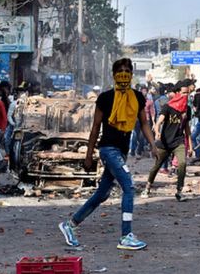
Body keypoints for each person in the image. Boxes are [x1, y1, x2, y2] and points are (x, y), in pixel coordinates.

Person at [59, 58, 157, 250]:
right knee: (129, 186)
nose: (123, 74)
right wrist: (88, 155)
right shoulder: (105, 98)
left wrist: (153, 144)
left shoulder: (137, 97)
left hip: (121, 151)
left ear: (131, 73)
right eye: (120, 71)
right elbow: (95, 128)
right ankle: (126, 235)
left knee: (102, 194)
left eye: (127, 70)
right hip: (108, 149)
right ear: (113, 75)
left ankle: (70, 225)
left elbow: (144, 123)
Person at [142, 81, 192, 201]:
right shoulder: (168, 107)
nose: (186, 95)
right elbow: (159, 122)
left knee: (182, 163)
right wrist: (158, 132)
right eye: (184, 93)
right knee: (156, 166)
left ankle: (179, 191)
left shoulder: (187, 109)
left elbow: (187, 128)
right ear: (177, 93)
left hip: (178, 141)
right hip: (165, 142)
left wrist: (190, 145)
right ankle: (148, 187)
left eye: (188, 93)